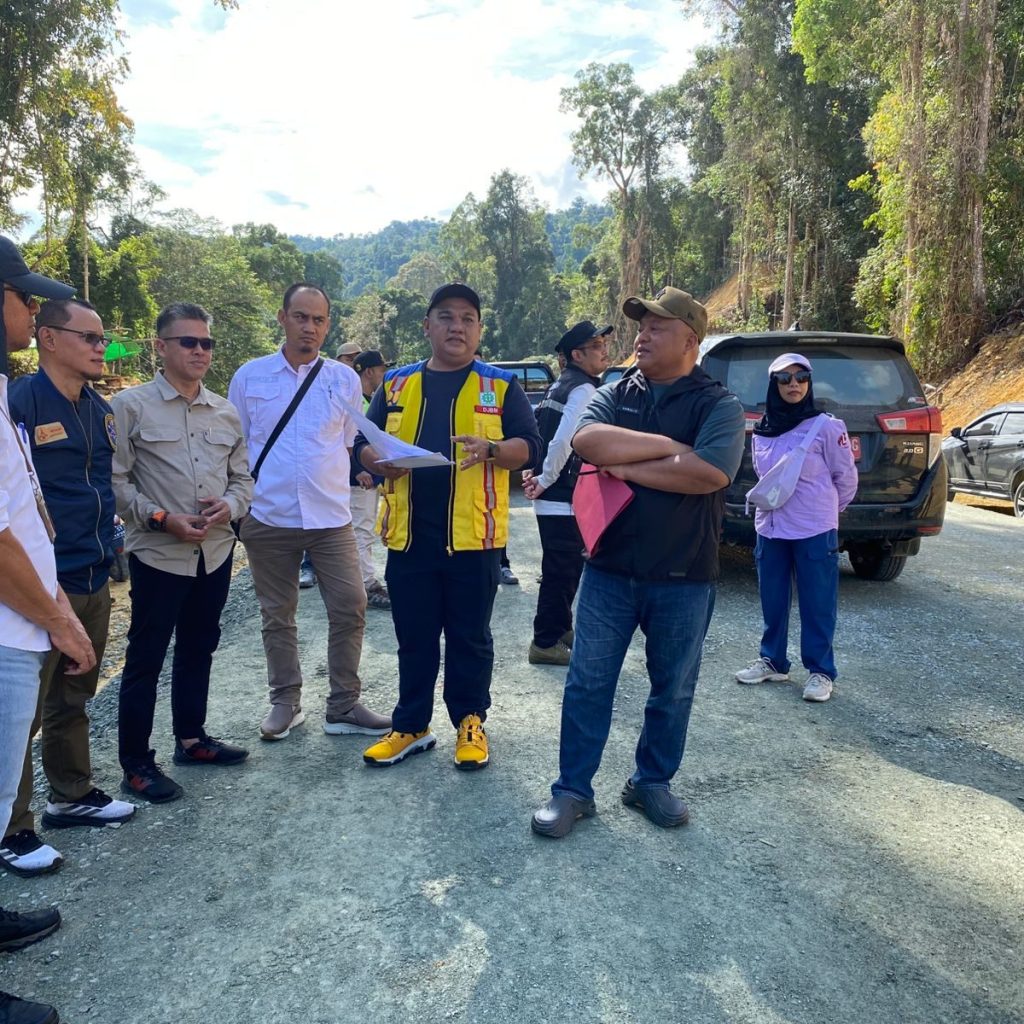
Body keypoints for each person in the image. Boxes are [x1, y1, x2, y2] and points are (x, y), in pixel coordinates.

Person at [531, 287, 745, 838]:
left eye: (657, 327)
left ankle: (651, 782)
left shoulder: (717, 404)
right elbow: (589, 442)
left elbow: (710, 474)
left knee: (672, 686)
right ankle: (573, 791)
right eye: (641, 326)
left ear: (691, 341)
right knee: (587, 682)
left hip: (685, 576)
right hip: (608, 570)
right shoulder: (613, 390)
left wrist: (628, 465)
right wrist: (670, 447)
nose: (641, 336)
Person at [355, 283, 541, 769]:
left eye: (467, 318)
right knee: (413, 636)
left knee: (469, 637)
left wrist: (493, 450)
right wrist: (379, 461)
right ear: (427, 326)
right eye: (445, 317)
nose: (456, 326)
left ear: (479, 329)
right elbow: (363, 443)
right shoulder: (396, 385)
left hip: (473, 542)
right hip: (410, 539)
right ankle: (411, 725)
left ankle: (470, 722)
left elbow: (529, 445)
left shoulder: (500, 385)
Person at [2, 299, 135, 879]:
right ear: (47, 338)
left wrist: (112, 553)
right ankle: (14, 828)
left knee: (75, 694)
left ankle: (71, 793)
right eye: (89, 337)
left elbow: (101, 489)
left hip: (90, 570)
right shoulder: (20, 404)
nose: (100, 348)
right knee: (19, 714)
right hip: (37, 585)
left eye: (104, 340)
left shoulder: (99, 410)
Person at [229, 284, 391, 741]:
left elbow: (346, 444)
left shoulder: (342, 380)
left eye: (319, 320)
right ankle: (286, 702)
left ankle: (343, 705)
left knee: (351, 607)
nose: (310, 328)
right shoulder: (250, 377)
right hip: (268, 517)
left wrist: (378, 465)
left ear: (328, 324)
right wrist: (241, 513)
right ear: (282, 318)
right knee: (277, 614)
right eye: (301, 317)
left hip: (330, 519)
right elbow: (235, 446)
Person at [0, 235, 92, 1024]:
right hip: (12, 618)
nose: (30, 308)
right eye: (21, 296)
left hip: (24, 612)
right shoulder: (16, 395)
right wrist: (58, 616)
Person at [112, 303, 253, 803]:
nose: (199, 351)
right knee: (146, 658)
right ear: (160, 347)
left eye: (206, 343)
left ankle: (191, 739)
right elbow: (117, 482)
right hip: (159, 554)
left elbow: (243, 479)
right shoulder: (129, 406)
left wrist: (230, 506)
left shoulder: (225, 411)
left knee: (199, 647)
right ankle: (136, 763)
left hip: (214, 552)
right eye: (187, 342)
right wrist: (160, 518)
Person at [734, 353, 858, 702]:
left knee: (817, 602)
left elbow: (845, 479)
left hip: (814, 528)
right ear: (773, 384)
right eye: (785, 379)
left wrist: (825, 514)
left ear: (810, 381)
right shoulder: (762, 429)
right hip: (771, 527)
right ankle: (773, 661)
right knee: (772, 599)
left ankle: (820, 671)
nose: (794, 385)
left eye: (801, 377)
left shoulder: (826, 426)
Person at [523, 320, 610, 666]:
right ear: (577, 354)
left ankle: (561, 629)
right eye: (597, 346)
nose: (604, 351)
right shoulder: (583, 389)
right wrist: (544, 478)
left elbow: (540, 433)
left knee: (563, 569)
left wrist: (537, 473)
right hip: (562, 497)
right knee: (561, 572)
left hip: (556, 496)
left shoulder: (561, 385)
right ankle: (545, 642)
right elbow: (564, 441)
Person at [350, 349, 394, 610]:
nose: (384, 375)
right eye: (381, 370)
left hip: (367, 476)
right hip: (359, 479)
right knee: (361, 531)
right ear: (369, 371)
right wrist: (358, 468)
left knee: (363, 530)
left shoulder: (368, 400)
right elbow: (345, 439)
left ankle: (361, 581)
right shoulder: (356, 400)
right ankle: (365, 585)